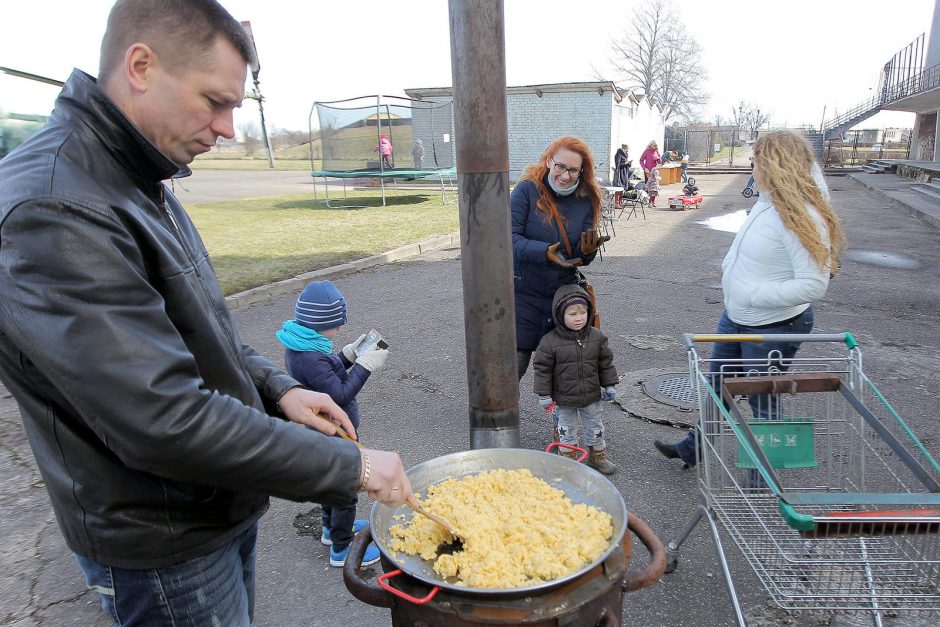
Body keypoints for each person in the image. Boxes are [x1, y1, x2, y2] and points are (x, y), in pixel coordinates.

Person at [0, 1, 413, 624]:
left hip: (208, 509)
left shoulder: (138, 179)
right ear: (141, 65)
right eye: (214, 101)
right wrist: (351, 468)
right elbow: (160, 418)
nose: (226, 127)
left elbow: (200, 333)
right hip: (162, 538)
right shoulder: (59, 207)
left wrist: (278, 389)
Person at [653, 130, 845, 468]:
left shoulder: (803, 216)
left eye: (756, 162)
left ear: (775, 165)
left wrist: (754, 294)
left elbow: (814, 285)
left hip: (775, 325)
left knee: (763, 402)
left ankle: (765, 474)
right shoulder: (767, 202)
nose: (751, 169)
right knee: (717, 388)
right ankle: (692, 449)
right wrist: (734, 275)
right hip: (738, 316)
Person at [276, 281, 389, 568]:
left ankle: (331, 529)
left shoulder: (302, 346)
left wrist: (348, 356)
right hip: (336, 430)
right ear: (320, 323)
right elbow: (338, 395)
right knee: (345, 486)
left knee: (329, 481)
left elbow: (326, 375)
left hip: (322, 431)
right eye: (335, 326)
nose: (338, 331)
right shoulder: (311, 357)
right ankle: (342, 547)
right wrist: (366, 366)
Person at [510, 136, 604, 443]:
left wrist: (587, 251)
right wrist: (543, 251)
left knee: (565, 374)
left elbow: (580, 254)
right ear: (549, 160)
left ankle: (564, 437)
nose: (565, 175)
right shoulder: (526, 191)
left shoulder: (586, 199)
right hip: (524, 295)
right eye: (560, 166)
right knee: (511, 371)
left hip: (562, 299)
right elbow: (507, 240)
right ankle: (498, 431)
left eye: (573, 170)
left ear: (582, 172)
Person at [533, 285, 618, 474]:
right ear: (560, 315)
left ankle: (597, 457)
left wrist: (609, 384)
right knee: (566, 430)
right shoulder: (549, 341)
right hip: (563, 399)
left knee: (596, 427)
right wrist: (544, 394)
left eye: (583, 312)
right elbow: (542, 369)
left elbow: (605, 363)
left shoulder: (597, 337)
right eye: (572, 314)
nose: (579, 318)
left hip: (591, 396)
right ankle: (568, 461)